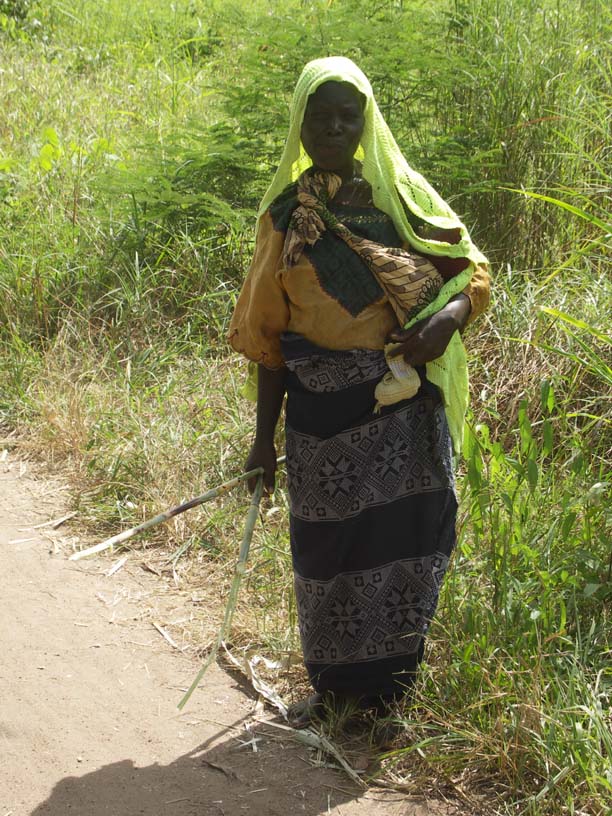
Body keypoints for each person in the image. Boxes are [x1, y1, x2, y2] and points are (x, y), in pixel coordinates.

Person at [228, 57, 490, 733]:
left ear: (367, 120)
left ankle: (388, 700)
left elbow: (473, 274)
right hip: (319, 416)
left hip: (403, 413)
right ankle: (334, 692)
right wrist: (263, 441)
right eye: (322, 115)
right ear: (301, 123)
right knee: (326, 555)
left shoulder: (402, 205)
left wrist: (445, 321)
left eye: (350, 114)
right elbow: (267, 340)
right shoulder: (285, 222)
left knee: (406, 547)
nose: (336, 127)